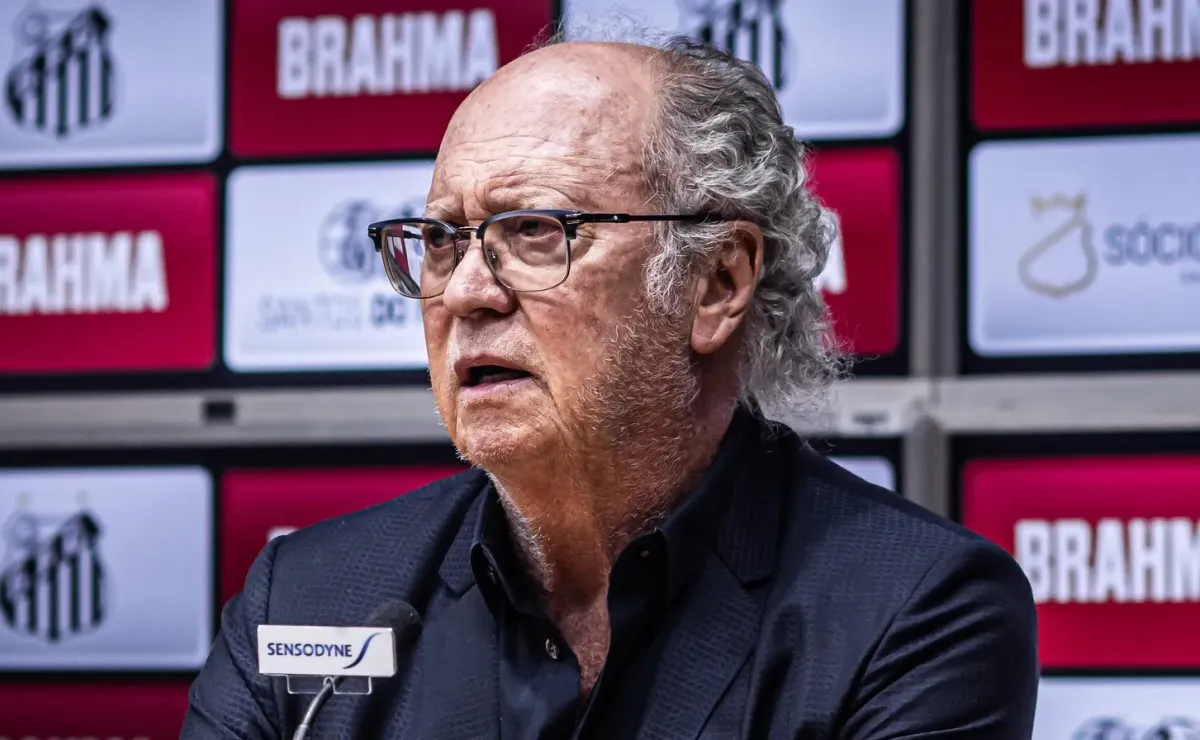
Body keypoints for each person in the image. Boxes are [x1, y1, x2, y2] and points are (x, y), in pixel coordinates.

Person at [182, 35, 1039, 740]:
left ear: (716, 283)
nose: (468, 291)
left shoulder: (914, 610)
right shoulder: (304, 599)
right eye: (442, 240)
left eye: (535, 232)